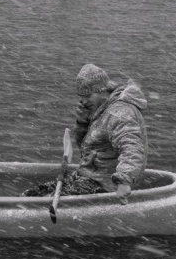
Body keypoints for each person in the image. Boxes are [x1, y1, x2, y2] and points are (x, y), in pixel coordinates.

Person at [24, 63, 147, 204]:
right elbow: (87, 148)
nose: (83, 101)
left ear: (103, 91)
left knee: (44, 202)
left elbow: (132, 147)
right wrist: (83, 122)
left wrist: (124, 180)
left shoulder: (119, 113)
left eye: (88, 95)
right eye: (81, 96)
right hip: (89, 176)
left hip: (105, 183)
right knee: (34, 194)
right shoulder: (101, 108)